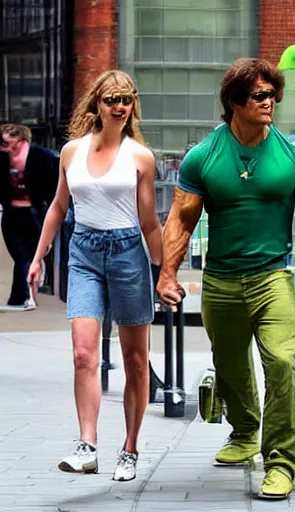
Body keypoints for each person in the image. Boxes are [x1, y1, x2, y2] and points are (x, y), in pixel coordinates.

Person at [157, 58, 295, 500]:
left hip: (273, 277)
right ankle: (244, 434)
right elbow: (180, 219)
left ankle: (282, 461)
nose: (270, 101)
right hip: (220, 280)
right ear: (234, 101)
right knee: (231, 366)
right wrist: (167, 274)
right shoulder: (203, 157)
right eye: (259, 95)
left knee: (281, 362)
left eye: (273, 94)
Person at [27, 70, 162, 482]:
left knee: (135, 361)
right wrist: (38, 255)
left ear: (132, 105)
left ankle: (130, 448)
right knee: (84, 354)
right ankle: (87, 445)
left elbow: (149, 222)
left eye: (126, 99)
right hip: (83, 253)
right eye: (111, 99)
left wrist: (164, 272)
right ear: (97, 104)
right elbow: (58, 206)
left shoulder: (140, 156)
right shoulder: (71, 152)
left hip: (127, 256)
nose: (119, 106)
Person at [0, 124, 59, 311]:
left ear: (19, 140)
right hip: (11, 212)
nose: (2, 146)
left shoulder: (39, 156)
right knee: (21, 256)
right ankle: (23, 296)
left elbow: (54, 182)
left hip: (33, 212)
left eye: (5, 142)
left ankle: (24, 296)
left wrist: (52, 208)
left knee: (30, 256)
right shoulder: (3, 159)